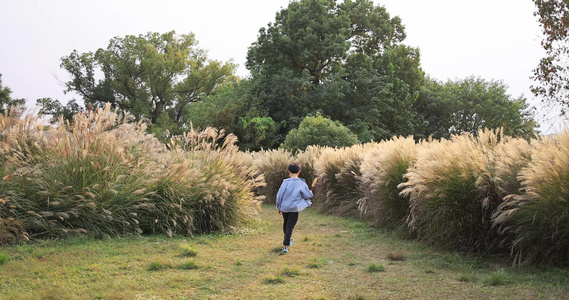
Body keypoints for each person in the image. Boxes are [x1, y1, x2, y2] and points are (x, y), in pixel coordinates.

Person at [276, 163, 313, 253]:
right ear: (299, 172)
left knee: (286, 223)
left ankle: (288, 239)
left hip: (285, 207)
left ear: (289, 172)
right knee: (290, 226)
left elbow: (279, 195)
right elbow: (307, 195)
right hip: (294, 208)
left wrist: (278, 206)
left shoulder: (285, 182)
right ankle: (285, 244)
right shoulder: (301, 183)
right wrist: (310, 193)